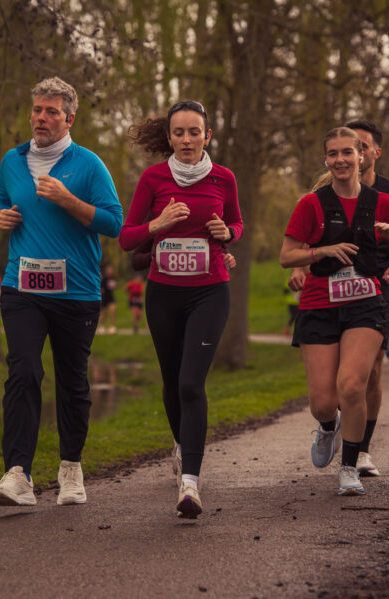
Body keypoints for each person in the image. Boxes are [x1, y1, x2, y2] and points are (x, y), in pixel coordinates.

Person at [0, 77, 123, 507]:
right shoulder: (13, 160)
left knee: (72, 381)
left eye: (51, 112)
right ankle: (18, 475)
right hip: (22, 286)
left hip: (77, 291)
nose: (41, 118)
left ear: (69, 119)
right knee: (23, 371)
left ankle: (71, 469)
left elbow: (114, 224)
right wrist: (0, 217)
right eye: (37, 110)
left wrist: (68, 200)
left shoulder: (88, 165)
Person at [120, 99, 243, 519]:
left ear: (207, 136)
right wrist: (159, 225)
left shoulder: (224, 178)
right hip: (164, 293)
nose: (187, 140)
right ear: (168, 137)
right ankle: (181, 444)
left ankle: (189, 483)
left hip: (210, 291)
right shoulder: (153, 178)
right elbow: (126, 237)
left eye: (195, 132)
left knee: (192, 383)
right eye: (179, 133)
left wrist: (228, 232)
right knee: (173, 382)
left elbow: (238, 225)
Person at [288, 120, 389, 478]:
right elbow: (291, 251)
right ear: (326, 159)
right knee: (323, 401)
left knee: (355, 382)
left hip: (370, 297)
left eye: (349, 151)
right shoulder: (313, 201)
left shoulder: (388, 197)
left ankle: (354, 460)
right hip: (321, 301)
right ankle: (328, 425)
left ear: (364, 154)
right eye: (333, 154)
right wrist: (315, 257)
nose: (342, 159)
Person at [98, 264, 118, 334]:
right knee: (103, 313)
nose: (110, 272)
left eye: (111, 271)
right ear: (106, 272)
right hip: (104, 297)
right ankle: (102, 326)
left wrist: (116, 285)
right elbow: (100, 288)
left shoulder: (113, 278)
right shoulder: (103, 279)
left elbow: (115, 285)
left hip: (110, 297)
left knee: (113, 310)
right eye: (109, 271)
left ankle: (112, 327)